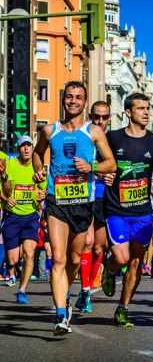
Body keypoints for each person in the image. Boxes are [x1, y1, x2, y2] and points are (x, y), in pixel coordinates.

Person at [33, 81, 116, 335]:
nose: (73, 101)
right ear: (63, 99)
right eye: (69, 96)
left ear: (84, 102)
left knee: (74, 259)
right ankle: (60, 314)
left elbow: (111, 163)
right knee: (57, 258)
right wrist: (38, 169)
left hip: (83, 202)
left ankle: (65, 297)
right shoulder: (49, 131)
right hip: (56, 200)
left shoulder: (94, 132)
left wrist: (91, 167)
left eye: (78, 97)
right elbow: (38, 153)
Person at [101, 92, 153, 328]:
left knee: (136, 262)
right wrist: (103, 173)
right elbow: (98, 164)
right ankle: (110, 269)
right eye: (141, 108)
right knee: (121, 257)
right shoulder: (112, 138)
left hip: (142, 212)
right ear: (128, 112)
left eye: (147, 107)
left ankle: (123, 308)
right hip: (116, 209)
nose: (146, 112)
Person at [75, 101, 112, 313]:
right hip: (86, 196)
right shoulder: (84, 138)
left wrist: (112, 176)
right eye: (96, 117)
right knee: (87, 243)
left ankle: (89, 284)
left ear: (109, 118)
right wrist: (97, 171)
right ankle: (86, 290)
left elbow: (119, 167)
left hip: (107, 200)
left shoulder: (113, 140)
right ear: (91, 116)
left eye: (104, 117)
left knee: (100, 247)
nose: (99, 121)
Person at [0, 136, 46, 302]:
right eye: (23, 146)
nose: (26, 149)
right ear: (18, 149)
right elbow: (4, 190)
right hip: (12, 216)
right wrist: (6, 198)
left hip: (30, 217)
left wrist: (42, 195)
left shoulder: (37, 166)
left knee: (30, 253)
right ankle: (12, 267)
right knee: (13, 259)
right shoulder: (10, 164)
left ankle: (22, 290)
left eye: (29, 146)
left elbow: (43, 190)